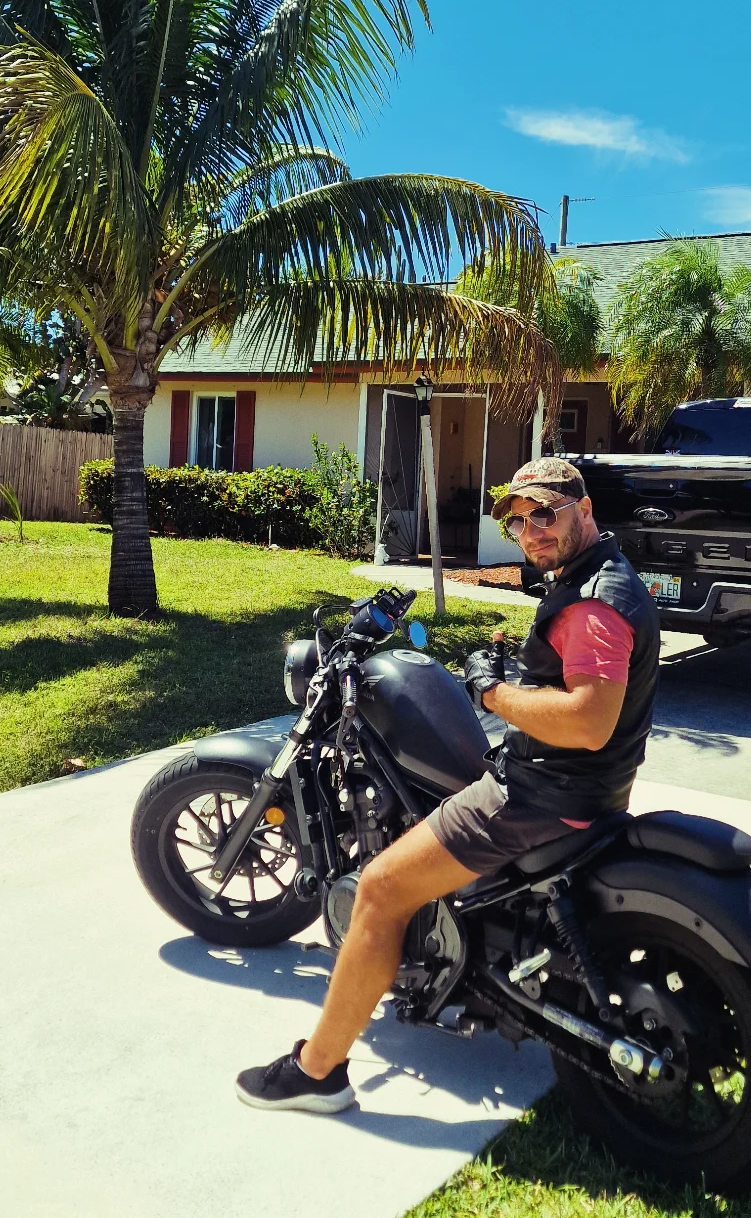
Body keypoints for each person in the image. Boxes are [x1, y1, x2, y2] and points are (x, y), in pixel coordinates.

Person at [235, 457, 661, 1113]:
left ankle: (317, 1072)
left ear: (583, 510)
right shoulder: (598, 580)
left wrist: (491, 690)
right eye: (518, 521)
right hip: (581, 792)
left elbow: (588, 721)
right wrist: (516, 679)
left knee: (379, 889)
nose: (530, 531)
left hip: (538, 797)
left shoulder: (595, 604)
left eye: (544, 514)